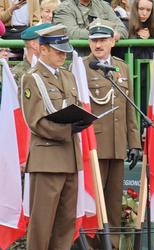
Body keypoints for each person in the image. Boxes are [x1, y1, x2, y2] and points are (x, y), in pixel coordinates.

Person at [21, 24, 89, 250]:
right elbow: (36, 121)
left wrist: (81, 120)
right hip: (48, 159)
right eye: (57, 50)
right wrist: (68, 129)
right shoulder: (32, 78)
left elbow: (76, 105)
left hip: (70, 157)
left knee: (65, 224)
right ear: (42, 49)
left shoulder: (68, 76)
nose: (63, 54)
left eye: (64, 51)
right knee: (42, 224)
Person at [82, 22, 142, 249]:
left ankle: (112, 245)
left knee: (114, 201)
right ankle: (90, 245)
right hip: (94, 145)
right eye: (94, 40)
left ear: (112, 41)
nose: (98, 44)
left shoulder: (121, 67)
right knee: (93, 202)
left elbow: (129, 108)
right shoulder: (82, 68)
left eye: (102, 40)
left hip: (118, 144)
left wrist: (134, 143)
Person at [129, 0, 154, 115]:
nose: (144, 13)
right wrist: (140, 40)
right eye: (141, 9)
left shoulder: (153, 29)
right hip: (132, 77)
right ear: (135, 9)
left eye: (148, 10)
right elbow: (123, 53)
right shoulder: (126, 25)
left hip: (148, 77)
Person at [53, 0, 128, 40]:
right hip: (77, 58)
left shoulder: (104, 5)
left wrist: (114, 34)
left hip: (102, 60)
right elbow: (71, 33)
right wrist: (104, 34)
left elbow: (122, 30)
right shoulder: (64, 8)